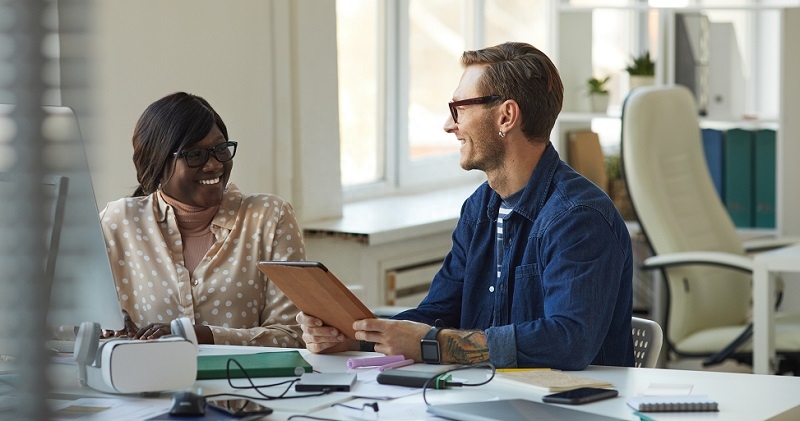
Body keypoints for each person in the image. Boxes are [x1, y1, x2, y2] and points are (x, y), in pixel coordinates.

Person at [298, 42, 634, 370]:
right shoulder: (479, 208)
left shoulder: (578, 218)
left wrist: (434, 344)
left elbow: (568, 341)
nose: (449, 125)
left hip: (570, 401)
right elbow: (438, 312)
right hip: (489, 393)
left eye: (459, 108)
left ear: (506, 116)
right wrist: (354, 337)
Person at [99, 92, 305, 348]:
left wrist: (201, 335)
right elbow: (74, 320)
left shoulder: (269, 218)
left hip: (243, 376)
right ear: (157, 163)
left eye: (220, 149)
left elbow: (293, 335)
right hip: (148, 373)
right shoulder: (119, 222)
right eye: (195, 155)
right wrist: (106, 326)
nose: (214, 165)